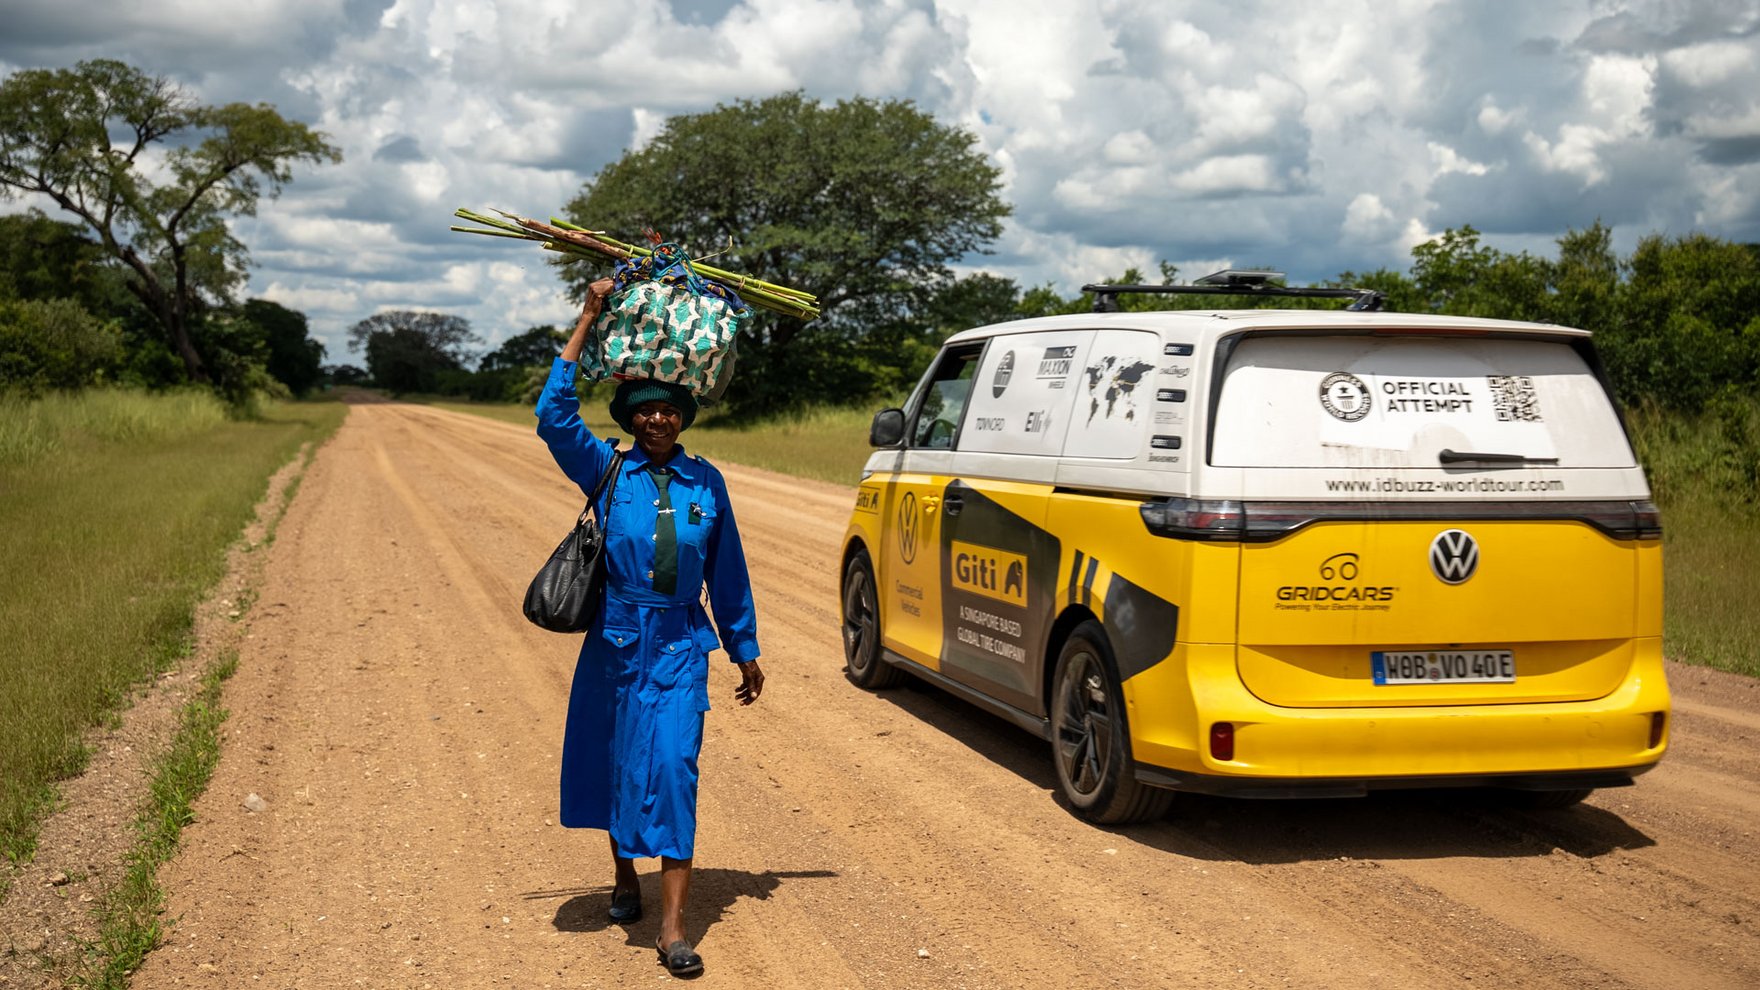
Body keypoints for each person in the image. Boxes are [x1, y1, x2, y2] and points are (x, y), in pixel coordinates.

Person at [535, 278, 764, 977]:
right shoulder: (607, 470)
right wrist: (588, 316)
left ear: (682, 416)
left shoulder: (706, 483)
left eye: (668, 410)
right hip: (613, 640)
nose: (658, 420)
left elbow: (727, 573)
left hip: (678, 647)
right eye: (646, 410)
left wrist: (743, 648)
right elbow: (553, 414)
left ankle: (673, 930)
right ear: (632, 417)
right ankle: (624, 878)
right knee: (614, 759)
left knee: (671, 769)